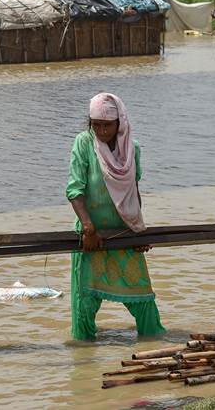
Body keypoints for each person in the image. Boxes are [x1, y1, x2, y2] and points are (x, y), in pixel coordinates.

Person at [65, 92, 166, 340]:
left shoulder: (132, 148)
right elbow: (74, 190)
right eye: (96, 125)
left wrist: (138, 231)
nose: (101, 131)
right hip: (93, 237)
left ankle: (152, 347)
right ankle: (84, 356)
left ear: (119, 122)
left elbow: (134, 192)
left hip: (123, 234)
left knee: (143, 301)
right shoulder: (84, 144)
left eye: (107, 125)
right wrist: (88, 228)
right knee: (85, 306)